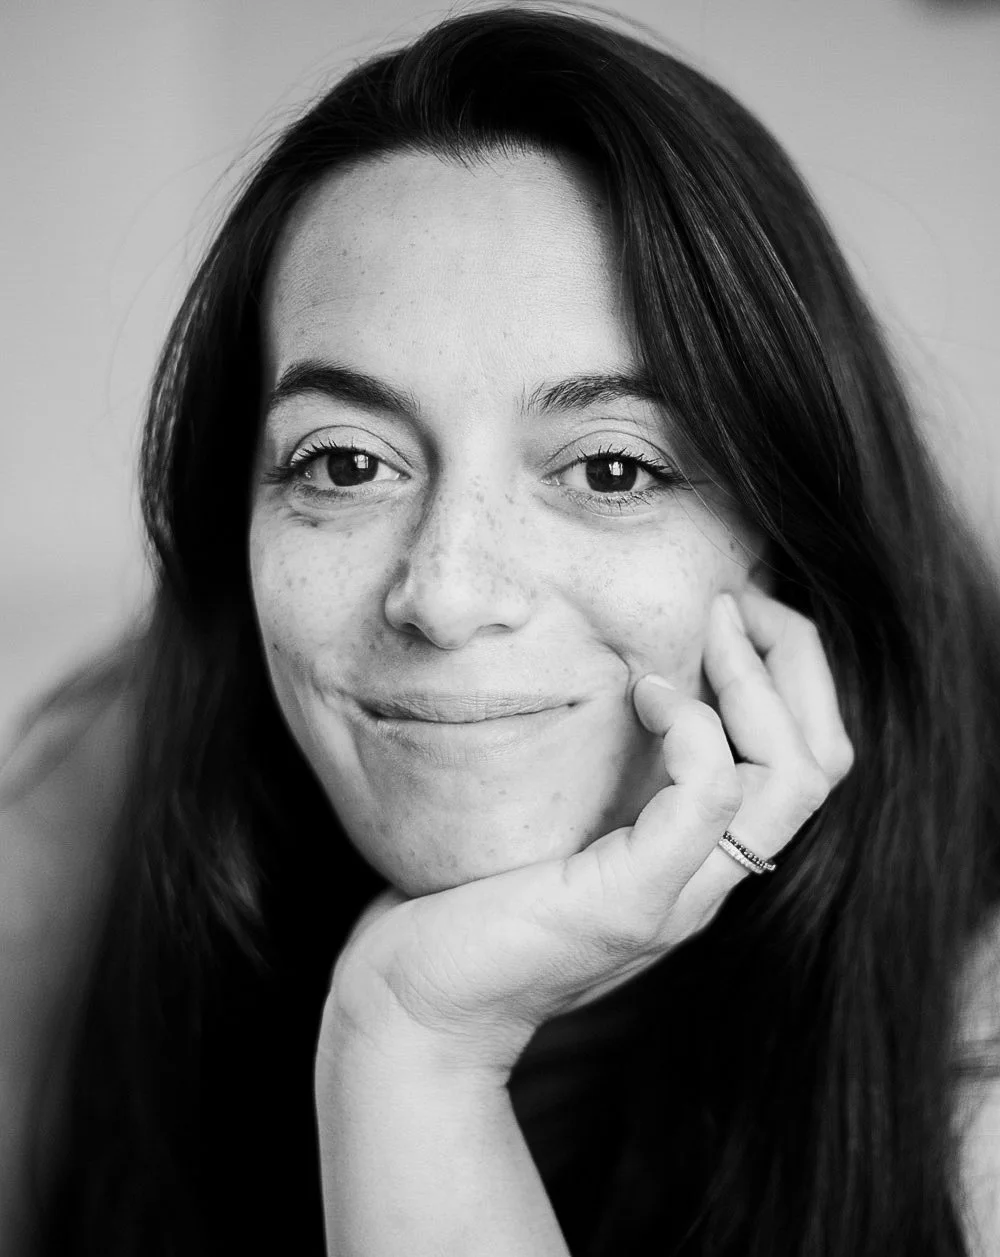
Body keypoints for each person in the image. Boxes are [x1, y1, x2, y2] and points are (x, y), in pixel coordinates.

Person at [2, 4, 999, 1254]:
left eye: (612, 472)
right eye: (348, 462)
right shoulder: (102, 817)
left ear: (787, 542)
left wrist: (413, 1043)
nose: (446, 592)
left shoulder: (979, 1057)